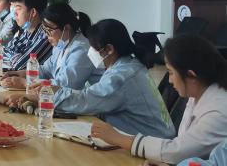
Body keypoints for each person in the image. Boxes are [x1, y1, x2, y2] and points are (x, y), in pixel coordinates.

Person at [9, 19, 174, 138]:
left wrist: (48, 95)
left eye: (94, 48)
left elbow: (86, 100)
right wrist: (55, 91)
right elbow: (91, 95)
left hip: (152, 146)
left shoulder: (122, 76)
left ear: (109, 49)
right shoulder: (126, 65)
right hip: (143, 138)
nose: (91, 52)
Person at [91, 34, 227, 165]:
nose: (170, 80)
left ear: (191, 75)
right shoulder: (197, 94)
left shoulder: (218, 111)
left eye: (171, 72)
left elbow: (179, 151)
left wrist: (119, 139)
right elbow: (185, 149)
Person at [1, 2, 101, 90]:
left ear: (66, 28)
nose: (47, 35)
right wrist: (21, 74)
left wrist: (25, 83)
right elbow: (46, 70)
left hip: (88, 103)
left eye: (49, 30)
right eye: (45, 30)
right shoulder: (61, 45)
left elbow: (66, 84)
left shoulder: (82, 49)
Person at [2, 0, 51, 70]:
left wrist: (14, 57)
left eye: (18, 8)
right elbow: (3, 52)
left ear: (33, 12)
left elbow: (21, 66)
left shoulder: (46, 35)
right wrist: (16, 57)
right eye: (12, 8)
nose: (13, 14)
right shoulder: (26, 30)